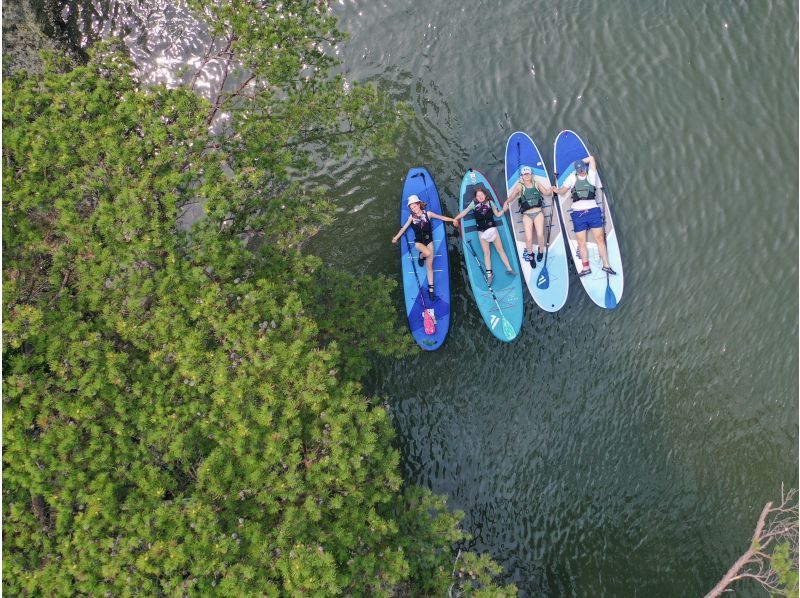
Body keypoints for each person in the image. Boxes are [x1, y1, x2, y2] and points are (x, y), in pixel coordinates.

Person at [552, 156, 616, 277]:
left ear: (584, 168)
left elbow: (592, 158)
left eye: (582, 168)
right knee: (581, 242)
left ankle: (606, 265)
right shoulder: (572, 178)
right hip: (578, 214)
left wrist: (576, 162)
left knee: (600, 240)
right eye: (579, 169)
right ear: (576, 170)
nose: (581, 171)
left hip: (593, 212)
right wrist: (556, 190)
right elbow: (563, 191)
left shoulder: (591, 175)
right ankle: (586, 267)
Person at [392, 194, 458, 298]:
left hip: (429, 241)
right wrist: (396, 237)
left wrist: (453, 220)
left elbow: (441, 217)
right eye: (411, 207)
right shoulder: (411, 218)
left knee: (429, 266)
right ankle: (421, 256)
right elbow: (403, 229)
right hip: (418, 242)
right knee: (427, 253)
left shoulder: (428, 214)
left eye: (414, 206)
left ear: (419, 204)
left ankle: (431, 289)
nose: (413, 209)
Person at [453, 186, 515, 285]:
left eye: (482, 195)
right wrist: (455, 219)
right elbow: (464, 212)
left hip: (493, 230)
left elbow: (498, 214)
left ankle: (509, 269)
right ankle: (489, 275)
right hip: (482, 232)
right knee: (487, 253)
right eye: (478, 196)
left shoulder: (490, 203)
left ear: (485, 195)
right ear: (476, 197)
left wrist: (504, 209)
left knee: (500, 250)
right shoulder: (473, 204)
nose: (480, 197)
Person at [505, 165, 553, 269]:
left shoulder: (537, 184)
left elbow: (546, 192)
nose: (526, 176)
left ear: (531, 175)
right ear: (522, 176)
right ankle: (531, 256)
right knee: (529, 238)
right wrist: (506, 202)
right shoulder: (519, 186)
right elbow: (512, 196)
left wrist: (552, 189)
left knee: (540, 235)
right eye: (525, 174)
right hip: (527, 215)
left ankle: (541, 251)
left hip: (538, 212)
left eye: (528, 174)